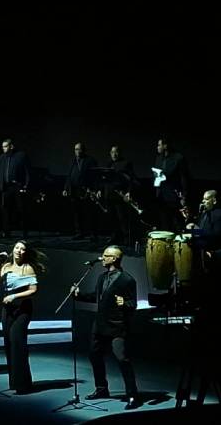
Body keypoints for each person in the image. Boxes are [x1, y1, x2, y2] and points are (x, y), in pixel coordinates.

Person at [72, 246, 140, 410]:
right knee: (94, 355)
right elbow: (96, 297)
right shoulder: (102, 277)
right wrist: (78, 294)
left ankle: (132, 394)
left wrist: (125, 303)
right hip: (100, 323)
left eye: (106, 256)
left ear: (115, 258)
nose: (102, 258)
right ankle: (101, 388)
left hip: (117, 325)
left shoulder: (127, 280)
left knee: (122, 359)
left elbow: (133, 303)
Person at [0, 240, 47, 393]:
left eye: (22, 249)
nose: (18, 251)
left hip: (22, 308)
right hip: (7, 308)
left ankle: (23, 383)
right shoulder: (6, 266)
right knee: (8, 343)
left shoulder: (27, 268)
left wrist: (15, 296)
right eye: (16, 248)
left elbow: (33, 290)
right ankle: (14, 382)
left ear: (25, 252)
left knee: (17, 341)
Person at [0, 138, 31, 238]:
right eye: (2, 147)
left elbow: (27, 171)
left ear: (11, 146)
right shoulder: (2, 157)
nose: (3, 148)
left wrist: (26, 185)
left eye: (5, 146)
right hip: (6, 187)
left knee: (21, 209)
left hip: (17, 186)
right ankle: (6, 232)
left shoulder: (20, 156)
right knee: (5, 209)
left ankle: (24, 231)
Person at [102, 145, 140, 246]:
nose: (114, 154)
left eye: (116, 152)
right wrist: (100, 190)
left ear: (120, 153)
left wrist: (129, 192)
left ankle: (126, 238)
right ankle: (114, 237)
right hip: (109, 195)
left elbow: (131, 179)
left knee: (122, 218)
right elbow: (105, 179)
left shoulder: (126, 163)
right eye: (112, 152)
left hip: (120, 196)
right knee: (112, 218)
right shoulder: (108, 164)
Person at [63, 142, 99, 240]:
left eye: (79, 149)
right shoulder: (72, 160)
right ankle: (79, 233)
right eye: (76, 149)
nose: (77, 151)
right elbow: (69, 175)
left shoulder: (90, 160)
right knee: (76, 213)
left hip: (86, 190)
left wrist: (94, 190)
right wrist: (66, 188)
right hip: (74, 190)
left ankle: (92, 233)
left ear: (83, 150)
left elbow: (95, 177)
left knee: (88, 213)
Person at [153, 138, 190, 232]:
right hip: (161, 195)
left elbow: (184, 178)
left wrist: (184, 196)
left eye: (159, 145)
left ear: (165, 146)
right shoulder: (158, 158)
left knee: (177, 222)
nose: (157, 147)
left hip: (174, 195)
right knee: (164, 222)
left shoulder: (178, 158)